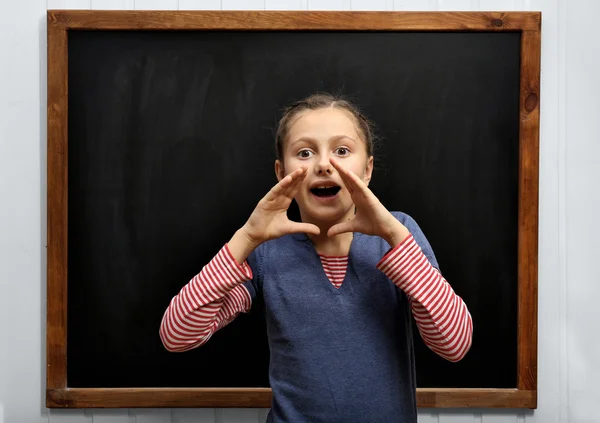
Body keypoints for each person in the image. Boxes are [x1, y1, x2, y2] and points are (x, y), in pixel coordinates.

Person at [159, 93, 473, 423]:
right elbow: (177, 335)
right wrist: (246, 238)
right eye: (305, 153)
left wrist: (396, 238)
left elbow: (454, 344)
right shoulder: (266, 251)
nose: (323, 165)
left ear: (367, 170)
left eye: (342, 150)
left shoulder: (400, 235)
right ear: (282, 173)